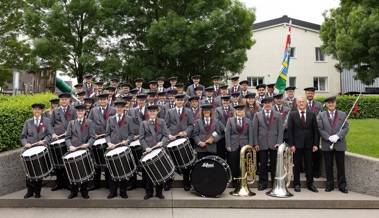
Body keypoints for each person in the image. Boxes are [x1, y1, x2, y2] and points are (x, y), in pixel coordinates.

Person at [20, 103, 55, 198]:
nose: (37, 111)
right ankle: (29, 191)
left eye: (39, 110)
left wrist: (45, 141)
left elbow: (50, 134)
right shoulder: (28, 122)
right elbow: (23, 137)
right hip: (30, 149)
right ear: (33, 111)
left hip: (40, 149)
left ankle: (37, 191)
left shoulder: (46, 121)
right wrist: (25, 143)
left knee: (39, 170)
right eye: (35, 109)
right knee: (29, 171)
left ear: (41, 111)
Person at [287, 96, 320, 193]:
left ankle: (310, 183)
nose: (301, 103)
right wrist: (291, 144)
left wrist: (315, 144)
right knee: (296, 165)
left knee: (309, 164)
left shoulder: (312, 114)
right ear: (296, 103)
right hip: (297, 144)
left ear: (306, 103)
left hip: (309, 144)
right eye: (299, 102)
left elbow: (315, 131)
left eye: (303, 102)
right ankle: (297, 183)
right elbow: (290, 131)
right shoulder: (292, 115)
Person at [317, 96, 349, 193]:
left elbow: (346, 127)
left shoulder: (342, 114)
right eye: (329, 103)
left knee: (340, 165)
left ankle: (342, 185)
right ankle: (329, 185)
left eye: (332, 102)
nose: (331, 104)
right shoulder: (321, 115)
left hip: (339, 144)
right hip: (327, 144)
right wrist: (328, 137)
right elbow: (320, 129)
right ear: (326, 105)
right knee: (328, 165)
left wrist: (338, 136)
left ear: (335, 103)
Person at [139, 105, 170, 200]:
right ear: (148, 113)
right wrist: (146, 147)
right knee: (148, 172)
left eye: (154, 111)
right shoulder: (143, 123)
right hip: (148, 150)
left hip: (159, 150)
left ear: (157, 112)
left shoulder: (162, 122)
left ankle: (159, 192)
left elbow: (166, 135)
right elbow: (141, 137)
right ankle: (149, 192)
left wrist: (162, 142)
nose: (152, 113)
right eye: (150, 111)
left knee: (159, 171)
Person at [65, 104, 96, 199]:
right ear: (76, 112)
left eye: (82, 111)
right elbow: (67, 137)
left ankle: (84, 191)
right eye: (78, 111)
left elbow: (93, 136)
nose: (80, 112)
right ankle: (73, 191)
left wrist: (88, 144)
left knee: (85, 170)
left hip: (84, 149)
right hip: (73, 149)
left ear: (85, 112)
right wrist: (70, 146)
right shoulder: (71, 123)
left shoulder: (89, 122)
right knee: (73, 170)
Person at [164, 94, 194, 191]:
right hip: (172, 139)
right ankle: (168, 182)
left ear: (184, 101)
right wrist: (169, 135)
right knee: (170, 162)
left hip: (184, 139)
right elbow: (165, 125)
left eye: (181, 100)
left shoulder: (188, 111)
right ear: (175, 101)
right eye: (178, 100)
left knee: (186, 162)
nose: (180, 102)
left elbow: (191, 125)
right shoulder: (169, 111)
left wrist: (185, 132)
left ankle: (186, 182)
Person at [252, 98, 283, 190]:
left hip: (274, 143)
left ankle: (275, 183)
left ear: (272, 104)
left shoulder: (277, 115)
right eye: (265, 103)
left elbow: (280, 129)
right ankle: (263, 183)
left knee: (274, 164)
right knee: (263, 164)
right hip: (262, 142)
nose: (267, 105)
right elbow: (255, 130)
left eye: (269, 103)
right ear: (263, 105)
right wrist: (256, 143)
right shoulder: (257, 115)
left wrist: (279, 142)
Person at [105, 99, 134, 199]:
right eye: (118, 107)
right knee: (112, 169)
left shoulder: (129, 118)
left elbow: (131, 134)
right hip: (112, 147)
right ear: (115, 108)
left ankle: (123, 191)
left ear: (124, 108)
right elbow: (107, 134)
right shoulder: (110, 119)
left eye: (121, 107)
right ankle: (112, 191)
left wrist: (127, 141)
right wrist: (109, 143)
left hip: (123, 147)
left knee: (124, 169)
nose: (119, 109)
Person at [88, 93, 116, 190]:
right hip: (97, 139)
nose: (102, 101)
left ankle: (109, 184)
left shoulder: (113, 110)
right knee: (96, 162)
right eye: (101, 99)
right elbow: (89, 123)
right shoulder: (93, 110)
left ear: (108, 100)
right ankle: (96, 184)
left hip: (109, 140)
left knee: (108, 162)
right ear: (98, 101)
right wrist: (92, 134)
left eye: (104, 99)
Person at [50, 92, 76, 191]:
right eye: (62, 99)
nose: (64, 101)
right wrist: (53, 134)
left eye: (66, 99)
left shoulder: (73, 110)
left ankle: (68, 182)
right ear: (60, 100)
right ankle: (59, 182)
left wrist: (70, 132)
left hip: (69, 139)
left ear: (69, 100)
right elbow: (50, 125)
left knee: (68, 161)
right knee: (58, 162)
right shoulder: (55, 110)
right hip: (58, 139)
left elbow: (76, 124)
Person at [225, 104, 253, 188]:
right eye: (238, 110)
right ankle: (234, 180)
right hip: (233, 145)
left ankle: (243, 180)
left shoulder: (248, 121)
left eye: (241, 110)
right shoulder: (230, 120)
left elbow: (250, 134)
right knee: (233, 164)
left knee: (243, 164)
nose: (239, 111)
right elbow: (227, 134)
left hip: (244, 145)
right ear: (235, 111)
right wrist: (228, 145)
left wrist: (250, 146)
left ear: (243, 111)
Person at [304, 87, 323, 178]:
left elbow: (321, 117)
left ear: (314, 94)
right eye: (308, 93)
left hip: (315, 131)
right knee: (304, 151)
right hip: (304, 131)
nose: (310, 94)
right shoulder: (302, 104)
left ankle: (315, 171)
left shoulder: (319, 105)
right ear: (305, 94)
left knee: (315, 151)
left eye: (312, 93)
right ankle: (305, 169)